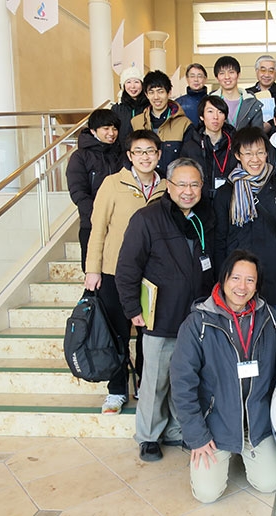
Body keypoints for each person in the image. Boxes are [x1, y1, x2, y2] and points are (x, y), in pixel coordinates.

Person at [170, 249, 276, 503]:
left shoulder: (267, 317)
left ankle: (244, 449)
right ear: (223, 279)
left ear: (257, 286)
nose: (241, 287)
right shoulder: (198, 323)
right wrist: (197, 437)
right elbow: (181, 384)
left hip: (256, 423)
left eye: (250, 280)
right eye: (236, 278)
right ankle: (225, 451)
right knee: (207, 495)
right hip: (216, 425)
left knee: (268, 484)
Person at [116, 157, 215, 462]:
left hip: (197, 316)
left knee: (185, 380)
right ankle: (148, 436)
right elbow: (127, 268)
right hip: (161, 316)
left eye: (194, 184)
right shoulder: (147, 218)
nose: (188, 191)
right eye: (181, 184)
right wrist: (132, 308)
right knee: (156, 380)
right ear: (168, 186)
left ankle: (175, 430)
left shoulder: (205, 216)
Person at [84, 130, 167, 415]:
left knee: (148, 334)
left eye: (151, 151)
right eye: (139, 152)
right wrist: (92, 269)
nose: (145, 157)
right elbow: (98, 229)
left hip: (153, 275)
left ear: (159, 154)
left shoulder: (166, 187)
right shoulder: (112, 184)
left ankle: (145, 384)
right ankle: (116, 390)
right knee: (117, 334)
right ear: (130, 156)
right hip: (113, 272)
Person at [214, 127, 276, 331]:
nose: (255, 159)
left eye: (259, 152)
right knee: (242, 338)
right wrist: (222, 277)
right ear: (238, 155)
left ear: (267, 153)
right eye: (248, 153)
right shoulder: (226, 193)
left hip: (275, 275)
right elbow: (220, 239)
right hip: (239, 282)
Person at [66, 108, 123, 271]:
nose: (111, 133)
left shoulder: (122, 155)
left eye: (114, 128)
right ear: (93, 130)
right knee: (93, 272)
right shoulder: (80, 157)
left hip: (118, 225)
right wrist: (97, 215)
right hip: (90, 224)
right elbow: (78, 192)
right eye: (106, 128)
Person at [131, 70, 194, 175]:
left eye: (160, 91)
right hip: (143, 185)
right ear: (146, 94)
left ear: (169, 93)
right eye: (151, 92)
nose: (156, 97)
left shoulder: (184, 124)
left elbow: (188, 161)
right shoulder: (136, 123)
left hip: (173, 185)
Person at [181, 95, 237, 203]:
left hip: (230, 202)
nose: (215, 117)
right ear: (202, 116)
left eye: (220, 112)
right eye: (210, 111)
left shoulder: (234, 144)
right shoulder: (190, 146)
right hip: (199, 202)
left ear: (225, 117)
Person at [210, 56, 264, 131]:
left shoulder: (252, 104)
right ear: (217, 77)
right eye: (222, 73)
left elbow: (258, 135)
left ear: (238, 75)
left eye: (231, 72)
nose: (227, 77)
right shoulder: (210, 103)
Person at [245, 55, 276, 133]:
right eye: (263, 70)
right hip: (254, 137)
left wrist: (270, 124)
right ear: (257, 71)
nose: (267, 75)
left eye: (271, 71)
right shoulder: (247, 94)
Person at [111, 66, 150, 152]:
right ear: (123, 85)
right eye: (128, 82)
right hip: (122, 155)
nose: (132, 86)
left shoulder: (149, 106)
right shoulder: (117, 109)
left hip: (145, 154)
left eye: (136, 82)